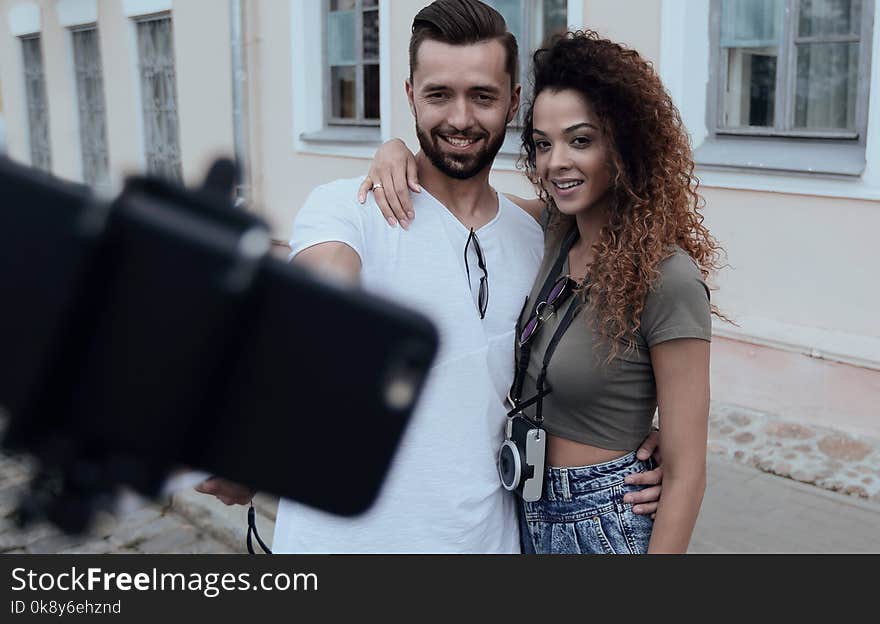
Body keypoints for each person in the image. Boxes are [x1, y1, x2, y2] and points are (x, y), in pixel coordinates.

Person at [198, 0, 663, 553]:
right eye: (438, 94)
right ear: (409, 95)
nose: (460, 119)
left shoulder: (538, 234)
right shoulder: (346, 209)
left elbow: (636, 268)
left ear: (515, 103)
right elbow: (312, 323)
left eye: (482, 96)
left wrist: (636, 440)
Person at [362, 29, 724, 553]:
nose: (556, 162)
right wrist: (395, 152)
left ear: (624, 144)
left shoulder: (668, 278)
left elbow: (688, 474)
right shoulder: (554, 234)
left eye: (581, 140)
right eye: (542, 143)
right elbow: (466, 197)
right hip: (524, 507)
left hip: (605, 519)